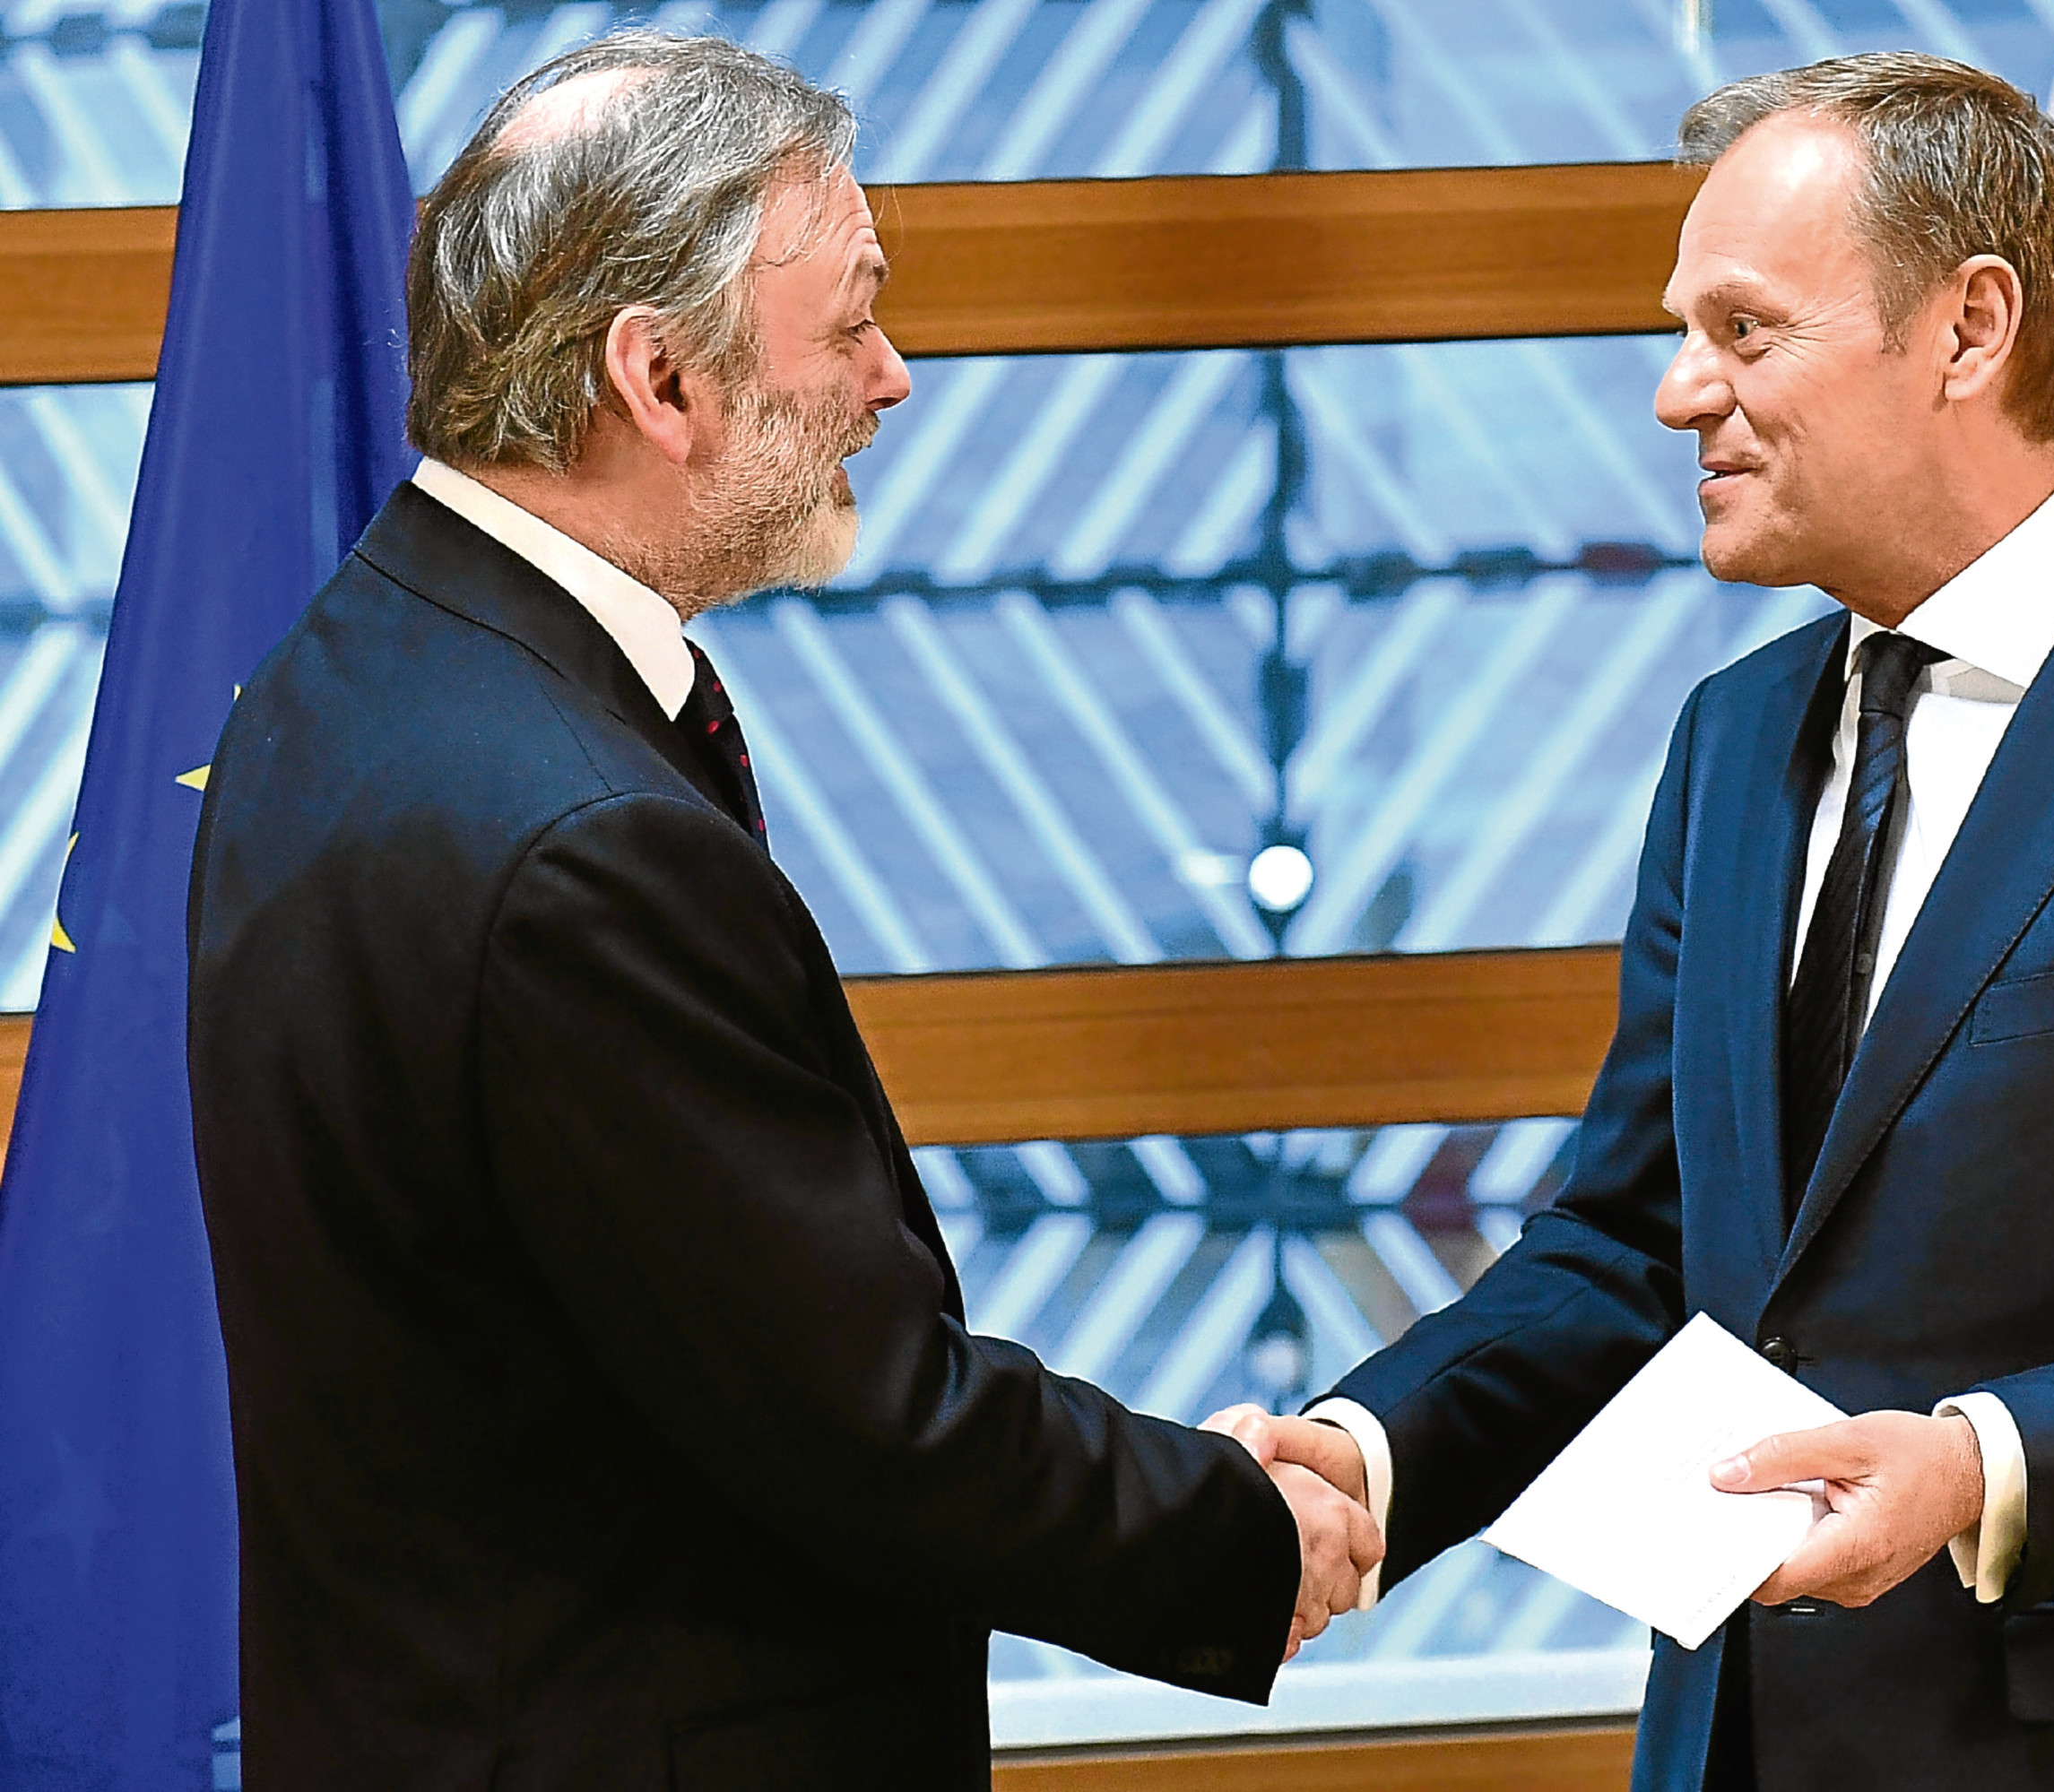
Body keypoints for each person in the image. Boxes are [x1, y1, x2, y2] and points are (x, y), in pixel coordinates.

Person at [1220, 54, 2054, 1791]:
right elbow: (1636, 1246)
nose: (1673, 390)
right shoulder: (1729, 745)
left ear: (1968, 329)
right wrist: (1369, 1453)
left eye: (1744, 328)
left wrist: (1987, 1461)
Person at [185, 34, 1376, 1790]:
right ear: (658, 374)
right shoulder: (580, 849)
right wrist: (1241, 1531)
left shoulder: (338, 680)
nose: (893, 379)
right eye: (852, 322)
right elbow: (868, 1416)